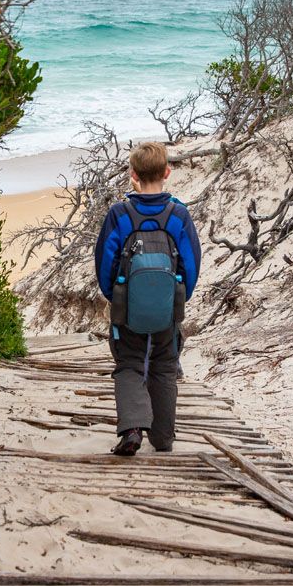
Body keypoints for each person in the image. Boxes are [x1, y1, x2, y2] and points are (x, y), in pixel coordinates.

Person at [94, 141, 201, 456]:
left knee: (129, 364)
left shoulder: (120, 214)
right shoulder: (178, 214)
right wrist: (177, 298)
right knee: (164, 366)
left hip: (127, 308)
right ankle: (163, 438)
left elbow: (104, 262)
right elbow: (192, 264)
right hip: (168, 309)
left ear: (133, 175)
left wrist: (115, 297)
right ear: (167, 172)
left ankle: (132, 431)